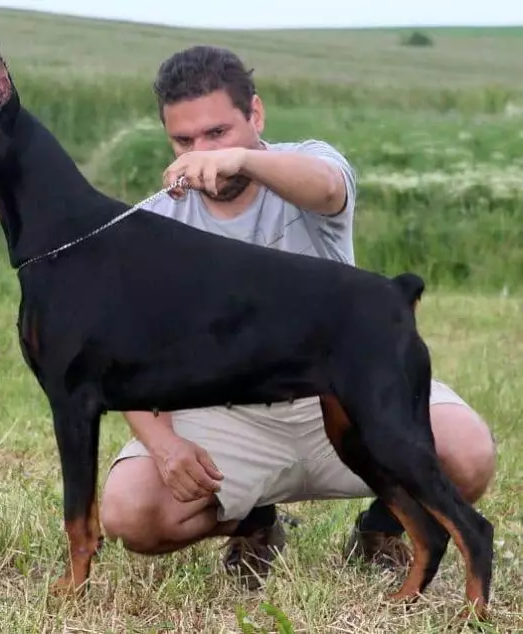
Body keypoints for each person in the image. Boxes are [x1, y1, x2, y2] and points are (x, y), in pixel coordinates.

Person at [99, 45, 497, 589]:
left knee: (469, 453)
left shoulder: (307, 164)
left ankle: (383, 529)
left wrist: (242, 161)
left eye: (218, 133)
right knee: (129, 514)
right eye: (184, 141)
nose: (202, 154)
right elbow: (124, 355)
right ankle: (255, 520)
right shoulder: (153, 223)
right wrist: (164, 445)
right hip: (230, 417)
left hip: (345, 396)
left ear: (256, 115)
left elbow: (328, 187)